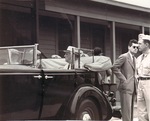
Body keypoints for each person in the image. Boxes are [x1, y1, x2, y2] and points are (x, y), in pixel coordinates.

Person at [112, 39, 138, 121]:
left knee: (131, 111)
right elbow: (114, 67)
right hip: (126, 87)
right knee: (126, 112)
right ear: (129, 47)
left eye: (137, 47)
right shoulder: (124, 57)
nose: (136, 49)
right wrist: (123, 79)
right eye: (134, 47)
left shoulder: (135, 59)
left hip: (133, 87)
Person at [136, 34, 150, 121]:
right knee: (141, 110)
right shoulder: (139, 58)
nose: (138, 46)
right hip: (140, 83)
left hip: (149, 83)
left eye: (140, 43)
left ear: (147, 44)